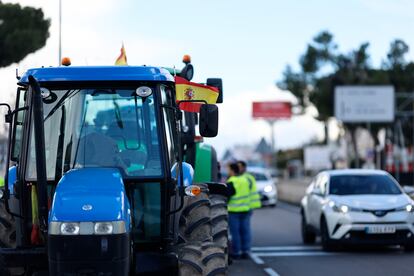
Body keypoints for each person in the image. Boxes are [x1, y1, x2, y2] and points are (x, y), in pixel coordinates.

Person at [226, 162, 251, 259]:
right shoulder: (245, 180)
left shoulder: (232, 181)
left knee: (235, 233)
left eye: (229, 170)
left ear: (232, 170)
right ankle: (246, 251)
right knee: (245, 231)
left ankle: (236, 252)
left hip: (234, 211)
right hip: (245, 209)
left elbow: (228, 195)